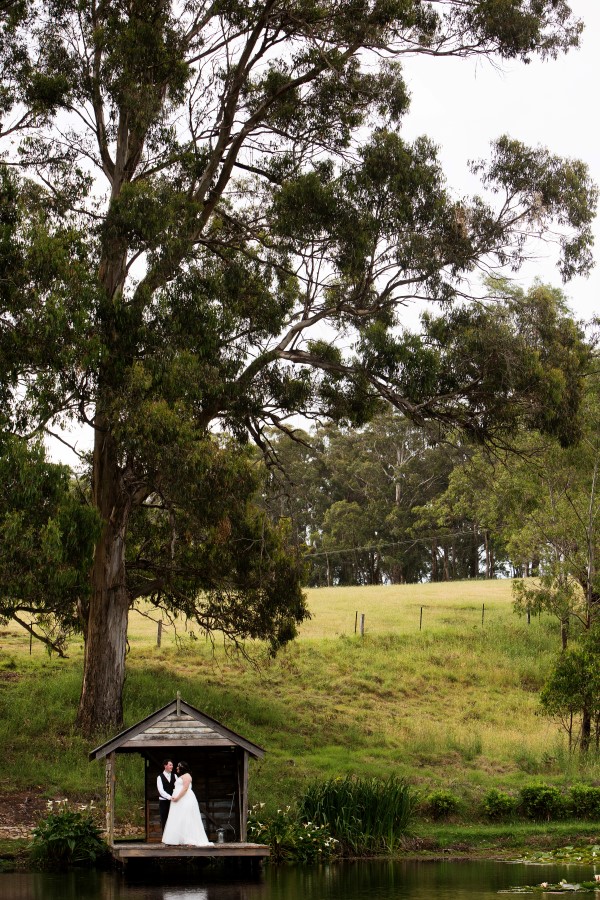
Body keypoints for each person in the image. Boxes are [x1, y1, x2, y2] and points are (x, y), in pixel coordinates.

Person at [162, 761, 213, 846]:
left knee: (187, 817)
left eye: (178, 766)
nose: (177, 768)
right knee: (179, 818)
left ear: (182, 768)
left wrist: (177, 797)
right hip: (179, 800)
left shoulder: (187, 776)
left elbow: (185, 788)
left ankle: (190, 839)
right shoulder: (181, 776)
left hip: (185, 799)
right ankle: (177, 839)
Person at [157, 758, 175, 832]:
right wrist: (169, 797)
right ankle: (165, 839)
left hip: (174, 801)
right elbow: (161, 791)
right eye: (170, 765)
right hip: (164, 801)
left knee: (173, 819)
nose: (172, 766)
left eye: (172, 765)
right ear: (165, 766)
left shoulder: (175, 776)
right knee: (164, 818)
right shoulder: (159, 777)